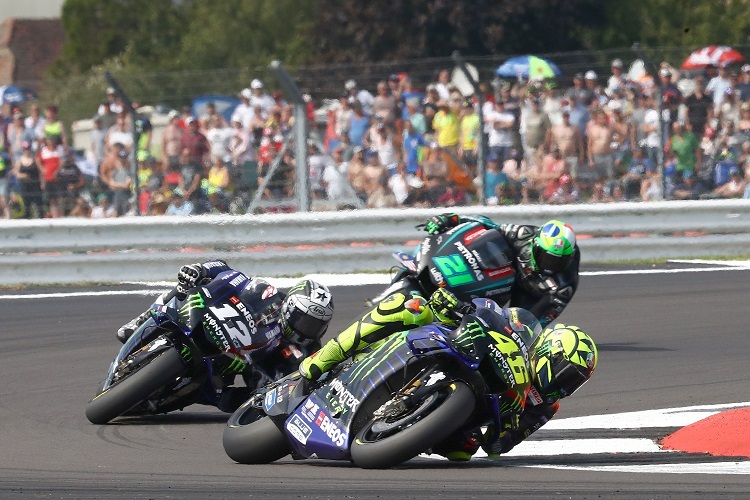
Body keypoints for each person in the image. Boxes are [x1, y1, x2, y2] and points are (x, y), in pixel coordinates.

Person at [117, 260, 334, 411]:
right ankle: (144, 317)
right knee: (185, 288)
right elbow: (231, 273)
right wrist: (200, 270)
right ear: (290, 307)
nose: (306, 329)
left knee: (233, 402)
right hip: (224, 333)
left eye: (315, 325)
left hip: (244, 372)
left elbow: (303, 383)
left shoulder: (309, 351)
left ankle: (179, 394)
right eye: (303, 320)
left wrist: (274, 382)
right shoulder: (269, 295)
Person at [422, 214, 580, 327]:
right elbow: (487, 224)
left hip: (531, 292)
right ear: (536, 245)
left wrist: (529, 329)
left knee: (518, 328)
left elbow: (545, 316)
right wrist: (452, 219)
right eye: (546, 257)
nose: (550, 265)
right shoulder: (523, 234)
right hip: (508, 274)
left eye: (558, 261)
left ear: (569, 258)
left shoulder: (563, 286)